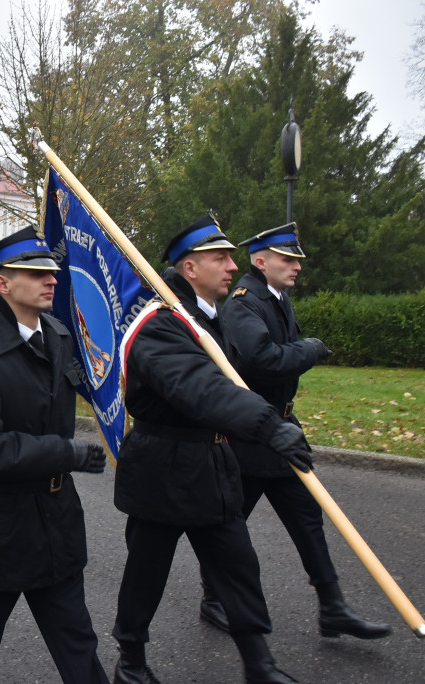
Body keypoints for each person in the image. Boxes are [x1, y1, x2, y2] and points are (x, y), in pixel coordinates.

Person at [111, 214, 313, 684]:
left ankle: (259, 665)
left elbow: (235, 383)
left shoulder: (209, 318)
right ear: (189, 269)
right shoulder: (159, 324)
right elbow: (199, 387)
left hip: (212, 465)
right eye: (219, 258)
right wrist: (267, 424)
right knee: (147, 573)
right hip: (162, 469)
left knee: (238, 564)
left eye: (229, 256)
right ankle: (131, 662)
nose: (231, 265)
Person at [192, 224, 391, 641]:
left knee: (308, 519)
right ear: (259, 261)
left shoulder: (276, 299)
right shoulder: (245, 303)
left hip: (282, 431)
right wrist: (311, 349)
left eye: (297, 259)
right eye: (287, 259)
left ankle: (333, 607)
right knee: (228, 525)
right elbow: (260, 359)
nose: (296, 266)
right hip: (248, 436)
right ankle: (213, 599)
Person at [0, 226, 109, 684]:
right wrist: (64, 453)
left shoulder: (57, 334)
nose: (50, 279)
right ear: (2, 283)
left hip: (55, 519)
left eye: (51, 270)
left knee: (78, 642)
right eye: (35, 272)